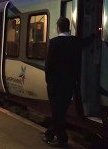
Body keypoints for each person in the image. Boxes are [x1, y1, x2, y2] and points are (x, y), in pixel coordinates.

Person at [43, 17, 81, 148]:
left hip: (55, 85)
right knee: (61, 112)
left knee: (56, 112)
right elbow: (86, 42)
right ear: (68, 27)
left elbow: (48, 65)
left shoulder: (54, 42)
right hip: (69, 84)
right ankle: (49, 134)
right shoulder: (75, 41)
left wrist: (49, 81)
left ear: (58, 28)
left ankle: (62, 140)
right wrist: (95, 34)